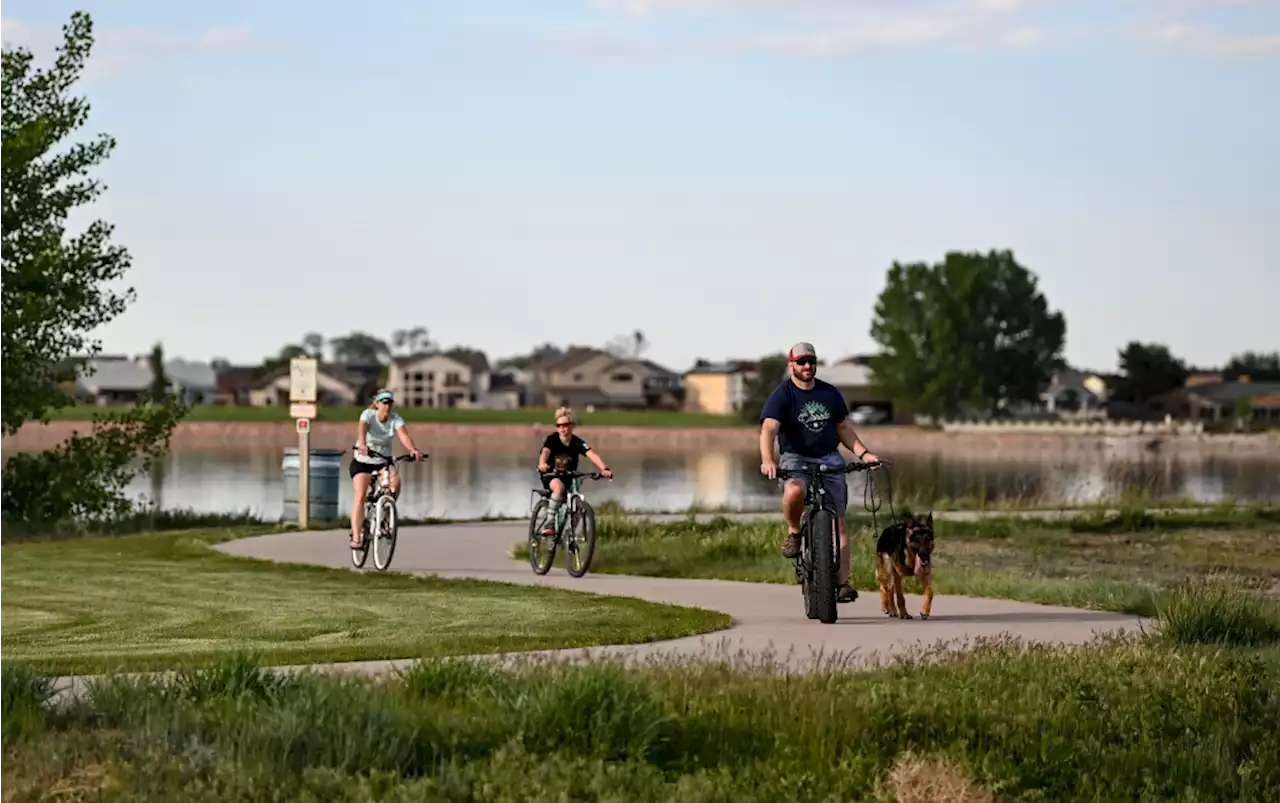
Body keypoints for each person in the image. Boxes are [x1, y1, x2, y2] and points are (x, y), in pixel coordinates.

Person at [759, 342, 881, 603]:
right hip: (796, 458)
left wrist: (864, 454)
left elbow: (843, 428)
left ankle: (842, 584)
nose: (807, 366)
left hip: (829, 458)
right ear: (791, 364)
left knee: (840, 524)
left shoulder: (829, 393)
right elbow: (769, 429)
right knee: (795, 490)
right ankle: (794, 531)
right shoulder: (783, 394)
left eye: (811, 361)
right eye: (801, 361)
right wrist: (768, 459)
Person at [349, 389, 423, 549]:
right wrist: (362, 444)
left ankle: (387, 513)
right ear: (377, 404)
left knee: (395, 483)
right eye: (384, 402)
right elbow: (362, 428)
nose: (387, 406)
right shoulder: (368, 415)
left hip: (383, 461)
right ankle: (356, 537)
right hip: (363, 460)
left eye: (389, 403)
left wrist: (413, 450)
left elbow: (403, 435)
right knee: (360, 496)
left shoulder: (395, 419)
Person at [535, 406, 613, 536]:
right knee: (558, 488)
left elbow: (591, 454)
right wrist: (542, 464)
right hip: (551, 475)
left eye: (565, 425)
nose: (562, 428)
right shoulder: (552, 439)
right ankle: (549, 523)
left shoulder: (577, 442)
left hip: (570, 476)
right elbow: (545, 452)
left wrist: (604, 469)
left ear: (572, 426)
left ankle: (569, 536)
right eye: (559, 425)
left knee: (577, 506)